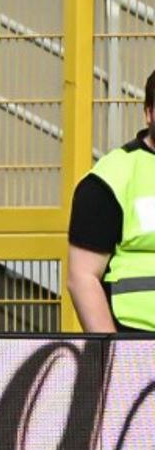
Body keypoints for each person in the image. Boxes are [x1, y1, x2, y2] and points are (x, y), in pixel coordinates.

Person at [67, 68, 155, 333]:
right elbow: (82, 276)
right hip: (138, 348)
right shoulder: (112, 178)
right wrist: (114, 358)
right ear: (149, 113)